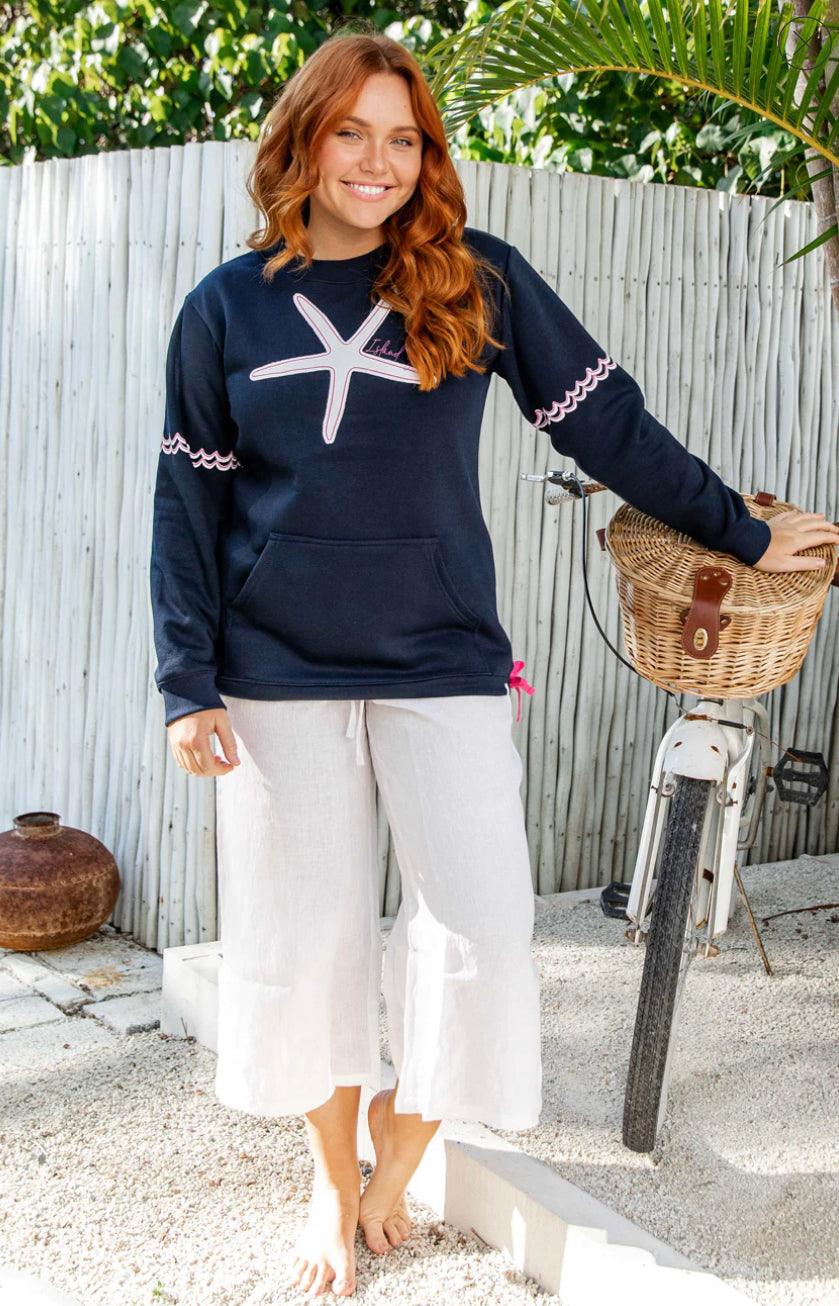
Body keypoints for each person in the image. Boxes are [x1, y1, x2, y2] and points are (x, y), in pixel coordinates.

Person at [149, 27, 839, 1299]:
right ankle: (331, 1175)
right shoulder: (224, 306)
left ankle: (403, 1142)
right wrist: (185, 681)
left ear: (427, 156)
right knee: (307, 936)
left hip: (443, 654)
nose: (377, 161)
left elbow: (607, 425)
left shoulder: (476, 280)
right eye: (350, 132)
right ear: (302, 141)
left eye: (402, 139)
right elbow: (189, 502)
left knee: (477, 920)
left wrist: (739, 532)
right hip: (273, 668)